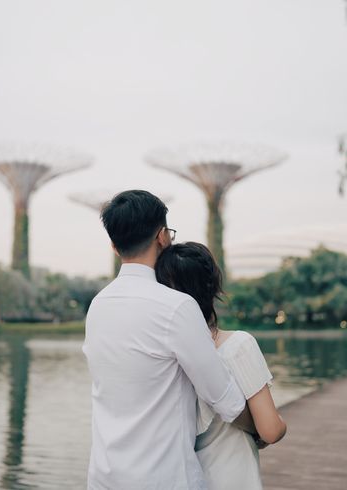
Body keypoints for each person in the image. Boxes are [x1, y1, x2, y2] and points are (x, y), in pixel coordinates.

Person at [83, 190, 247, 490]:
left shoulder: (98, 305)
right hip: (163, 479)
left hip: (104, 477)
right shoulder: (177, 307)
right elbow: (225, 399)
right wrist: (263, 431)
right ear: (162, 237)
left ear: (114, 246)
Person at [155, 242, 288, 490]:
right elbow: (270, 430)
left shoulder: (162, 357)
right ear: (214, 287)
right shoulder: (239, 346)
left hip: (178, 478)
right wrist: (279, 425)